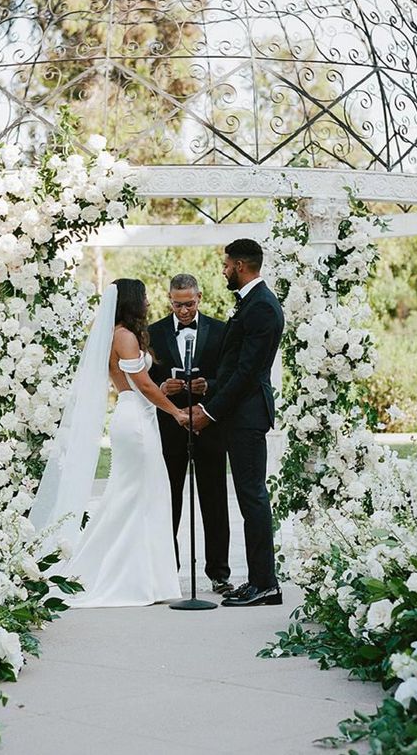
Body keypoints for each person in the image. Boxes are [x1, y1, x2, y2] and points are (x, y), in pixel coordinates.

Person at [30, 279, 183, 607]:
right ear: (131, 301)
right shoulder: (124, 336)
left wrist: (162, 392)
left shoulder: (118, 335)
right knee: (132, 496)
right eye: (142, 296)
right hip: (136, 420)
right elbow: (140, 383)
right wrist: (177, 413)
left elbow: (137, 381)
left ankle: (148, 580)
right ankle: (116, 575)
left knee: (144, 495)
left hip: (136, 414)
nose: (147, 301)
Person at [184, 239, 284, 608]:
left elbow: (247, 372)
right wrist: (210, 395)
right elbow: (234, 367)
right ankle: (258, 579)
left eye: (226, 264)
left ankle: (266, 585)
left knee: (253, 498)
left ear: (240, 265)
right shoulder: (253, 304)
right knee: (247, 498)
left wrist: (209, 413)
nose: (223, 270)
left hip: (247, 416)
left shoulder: (261, 308)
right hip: (238, 414)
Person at [148, 273, 230, 593]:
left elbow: (231, 375)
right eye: (177, 304)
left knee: (214, 499)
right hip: (170, 428)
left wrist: (208, 385)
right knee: (169, 500)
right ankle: (170, 571)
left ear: (200, 297)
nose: (183, 310)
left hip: (209, 425)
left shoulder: (221, 331)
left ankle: (219, 573)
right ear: (169, 300)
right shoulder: (152, 333)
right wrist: (161, 387)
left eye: (189, 304)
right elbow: (142, 380)